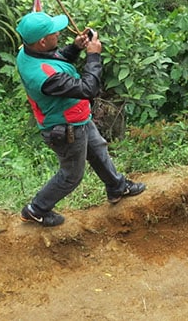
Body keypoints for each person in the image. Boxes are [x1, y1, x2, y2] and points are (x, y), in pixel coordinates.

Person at [15, 11, 144, 227]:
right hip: (65, 128)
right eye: (54, 33)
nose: (58, 33)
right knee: (71, 175)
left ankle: (117, 187)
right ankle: (36, 209)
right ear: (42, 41)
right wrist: (93, 56)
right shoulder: (43, 76)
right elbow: (88, 88)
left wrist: (75, 48)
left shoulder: (29, 52)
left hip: (76, 118)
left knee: (98, 150)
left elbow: (56, 60)